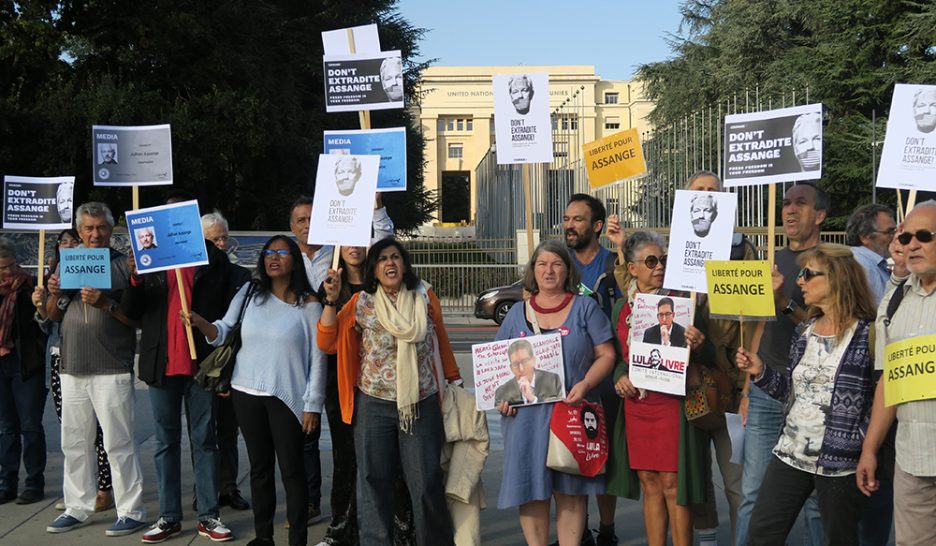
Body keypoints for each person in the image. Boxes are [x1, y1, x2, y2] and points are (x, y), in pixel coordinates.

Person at [318, 237, 462, 546]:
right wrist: (331, 301)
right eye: (382, 259)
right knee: (373, 483)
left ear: (405, 264)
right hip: (373, 405)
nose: (390, 263)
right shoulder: (361, 303)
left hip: (420, 405)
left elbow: (442, 342)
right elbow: (327, 342)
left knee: (425, 483)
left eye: (395, 257)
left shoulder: (425, 296)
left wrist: (454, 378)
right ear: (373, 269)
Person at [122, 202, 252, 543]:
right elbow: (132, 311)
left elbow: (235, 298)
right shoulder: (148, 256)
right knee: (165, 442)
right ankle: (169, 516)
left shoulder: (211, 256)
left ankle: (208, 514)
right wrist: (135, 277)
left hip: (201, 366)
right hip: (161, 364)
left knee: (205, 441)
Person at [187, 235, 326, 546]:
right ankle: (264, 537)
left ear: (295, 261)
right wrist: (201, 323)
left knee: (292, 471)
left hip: (287, 397)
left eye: (281, 252)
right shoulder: (250, 292)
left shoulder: (310, 305)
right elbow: (223, 329)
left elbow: (318, 360)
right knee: (259, 470)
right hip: (244, 392)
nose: (273, 258)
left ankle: (297, 539)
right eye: (268, 253)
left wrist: (313, 404)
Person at [736, 244, 876, 545]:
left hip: (839, 464)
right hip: (790, 453)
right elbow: (793, 393)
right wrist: (760, 372)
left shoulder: (869, 335)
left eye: (808, 274)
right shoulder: (806, 331)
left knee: (840, 539)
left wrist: (863, 444)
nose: (799, 280)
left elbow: (880, 400)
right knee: (761, 532)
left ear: (836, 279)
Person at [491, 239, 615, 546]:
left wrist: (586, 384)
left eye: (557, 264)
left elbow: (607, 355)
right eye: (542, 264)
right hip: (526, 421)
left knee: (571, 492)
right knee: (530, 491)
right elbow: (494, 367)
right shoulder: (516, 314)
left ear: (567, 270)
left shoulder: (585, 308)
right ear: (533, 270)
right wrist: (501, 399)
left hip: (572, 415)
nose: (549, 270)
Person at [288, 193, 394, 527]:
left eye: (361, 237)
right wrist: (331, 302)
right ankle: (342, 527)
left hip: (384, 385)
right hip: (342, 384)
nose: (354, 246)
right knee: (346, 456)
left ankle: (391, 525)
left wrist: (376, 207)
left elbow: (389, 244)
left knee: (385, 459)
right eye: (346, 239)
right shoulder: (330, 287)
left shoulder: (383, 285)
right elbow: (326, 341)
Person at [43, 202, 147, 536]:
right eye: (88, 228)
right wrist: (54, 293)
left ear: (111, 229)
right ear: (79, 230)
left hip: (111, 366)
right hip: (72, 365)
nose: (95, 234)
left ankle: (131, 509)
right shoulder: (67, 262)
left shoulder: (122, 266)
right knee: (74, 442)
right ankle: (77, 506)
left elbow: (135, 318)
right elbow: (52, 314)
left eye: (101, 227)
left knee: (118, 442)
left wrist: (106, 302)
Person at [736, 182, 828, 546]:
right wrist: (747, 390)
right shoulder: (772, 261)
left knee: (813, 501)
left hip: (811, 394)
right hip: (766, 393)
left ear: (819, 215)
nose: (789, 210)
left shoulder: (830, 264)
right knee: (753, 493)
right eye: (786, 203)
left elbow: (825, 329)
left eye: (800, 203)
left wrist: (785, 301)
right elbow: (762, 324)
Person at [606, 232, 711, 546]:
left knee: (672, 485)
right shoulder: (622, 309)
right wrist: (619, 377)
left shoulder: (682, 303)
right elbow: (617, 357)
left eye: (663, 260)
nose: (659, 266)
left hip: (672, 404)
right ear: (633, 268)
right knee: (649, 483)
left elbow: (710, 355)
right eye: (651, 261)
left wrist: (700, 343)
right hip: (638, 407)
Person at [857, 201, 936, 546]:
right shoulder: (895, 301)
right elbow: (889, 381)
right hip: (911, 461)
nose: (911, 244)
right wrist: (870, 449)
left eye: (923, 236)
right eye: (905, 236)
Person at [681, 171, 751, 546]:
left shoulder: (742, 250)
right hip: (688, 384)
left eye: (713, 191)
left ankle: (742, 539)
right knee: (696, 478)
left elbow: (757, 315)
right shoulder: (675, 250)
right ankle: (706, 537)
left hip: (730, 386)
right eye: (699, 192)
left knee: (737, 480)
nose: (707, 197)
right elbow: (646, 292)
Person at [33, 229, 116, 514]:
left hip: (98, 357)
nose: (69, 245)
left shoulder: (97, 266)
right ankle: (79, 493)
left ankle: (105, 489)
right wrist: (45, 302)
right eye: (64, 242)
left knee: (105, 431)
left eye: (73, 241)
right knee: (74, 430)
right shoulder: (55, 277)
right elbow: (50, 320)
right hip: (61, 357)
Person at [562, 193, 620, 546]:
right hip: (566, 377)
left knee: (604, 457)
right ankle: (577, 531)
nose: (569, 225)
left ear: (596, 226)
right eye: (567, 218)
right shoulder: (556, 263)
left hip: (604, 376)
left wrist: (624, 247)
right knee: (572, 456)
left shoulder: (613, 264)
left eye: (578, 219)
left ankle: (607, 531)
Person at [200, 211, 251, 512]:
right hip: (199, 367)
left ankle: (228, 487)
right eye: (213, 239)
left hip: (230, 363)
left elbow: (237, 328)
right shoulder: (194, 277)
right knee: (203, 434)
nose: (220, 244)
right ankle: (204, 489)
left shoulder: (240, 276)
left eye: (222, 238)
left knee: (228, 432)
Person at [0, 238, 46, 505]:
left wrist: (39, 303)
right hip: (2, 363)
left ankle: (34, 482)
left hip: (25, 363)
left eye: (9, 266)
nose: (6, 273)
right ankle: (7, 482)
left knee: (30, 426)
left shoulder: (29, 285)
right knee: (7, 428)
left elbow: (42, 323)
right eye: (1, 268)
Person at [846, 204, 897, 304]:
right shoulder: (865, 266)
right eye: (890, 232)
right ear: (865, 237)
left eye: (895, 231)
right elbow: (885, 310)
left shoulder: (869, 263)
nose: (895, 237)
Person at [493, 338, 563, 406]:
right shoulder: (501, 392)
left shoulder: (553, 380)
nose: (521, 369)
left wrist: (533, 399)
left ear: (533, 361)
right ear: (511, 368)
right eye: (515, 364)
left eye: (525, 361)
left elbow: (559, 406)